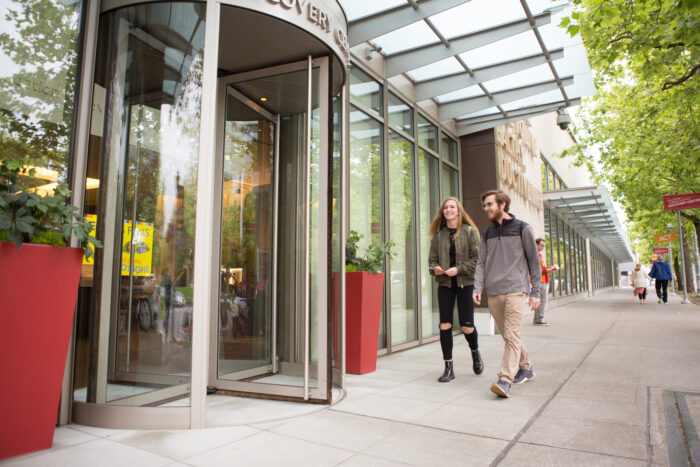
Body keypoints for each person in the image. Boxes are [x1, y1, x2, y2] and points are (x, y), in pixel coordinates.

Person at [473, 190, 541, 398]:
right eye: (485, 205)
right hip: (494, 292)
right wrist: (478, 287)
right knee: (509, 336)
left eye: (489, 204)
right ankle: (526, 367)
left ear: (502, 204)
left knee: (511, 335)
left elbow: (533, 262)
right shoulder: (487, 233)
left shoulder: (523, 229)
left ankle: (505, 380)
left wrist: (535, 291)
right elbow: (482, 262)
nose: (486, 209)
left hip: (516, 290)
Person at [428, 197, 483, 382]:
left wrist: (458, 269)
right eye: (445, 207)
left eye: (452, 207)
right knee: (445, 325)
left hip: (465, 284)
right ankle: (448, 367)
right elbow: (431, 262)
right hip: (445, 284)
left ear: (458, 211)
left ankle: (475, 352)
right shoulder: (438, 236)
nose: (448, 210)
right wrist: (436, 269)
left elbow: (477, 260)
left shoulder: (469, 232)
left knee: (467, 327)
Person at [534, 238, 558, 326]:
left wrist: (548, 268)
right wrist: (551, 269)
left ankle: (537, 319)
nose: (543, 247)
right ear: (536, 244)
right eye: (542, 245)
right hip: (540, 281)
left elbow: (542, 269)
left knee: (540, 301)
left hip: (542, 280)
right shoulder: (535, 255)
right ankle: (538, 319)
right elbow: (538, 271)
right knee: (542, 301)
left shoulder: (539, 255)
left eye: (544, 246)